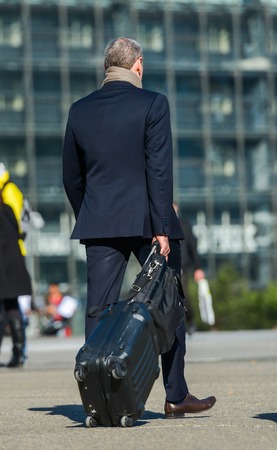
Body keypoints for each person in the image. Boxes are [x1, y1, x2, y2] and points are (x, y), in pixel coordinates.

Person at [63, 37, 216, 417]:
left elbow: (71, 177)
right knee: (169, 303)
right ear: (138, 66)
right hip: (149, 223)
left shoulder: (79, 110)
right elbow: (158, 170)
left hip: (99, 221)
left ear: (106, 67)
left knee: (97, 310)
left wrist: (93, 213)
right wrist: (163, 226)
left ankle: (99, 401)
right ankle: (176, 396)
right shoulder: (152, 103)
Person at [0, 162, 32, 368]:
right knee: (10, 304)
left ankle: (19, 352)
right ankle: (18, 352)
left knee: (9, 304)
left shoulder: (8, 189)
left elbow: (19, 223)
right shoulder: (8, 190)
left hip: (7, 255)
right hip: (10, 255)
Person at [173, 203, 205, 335]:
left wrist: (197, 267)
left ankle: (190, 320)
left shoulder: (184, 224)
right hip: (165, 266)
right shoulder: (161, 224)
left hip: (182, 265)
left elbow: (192, 246)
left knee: (183, 295)